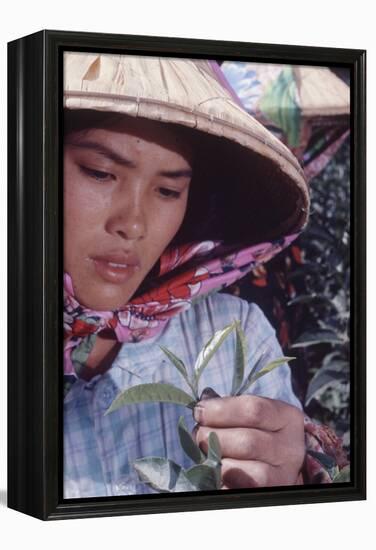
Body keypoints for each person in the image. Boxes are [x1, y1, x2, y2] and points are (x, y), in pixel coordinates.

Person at [63, 52, 348, 498]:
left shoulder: (233, 333)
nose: (133, 223)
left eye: (168, 190)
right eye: (100, 173)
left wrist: (292, 478)